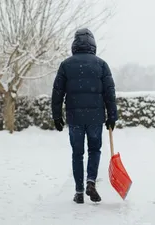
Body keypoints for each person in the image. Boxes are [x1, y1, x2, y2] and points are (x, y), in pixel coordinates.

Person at [51, 28, 118, 204]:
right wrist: (112, 116)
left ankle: (79, 192)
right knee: (94, 150)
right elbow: (110, 94)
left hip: (75, 118)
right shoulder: (101, 64)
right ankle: (91, 181)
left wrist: (56, 116)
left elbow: (57, 93)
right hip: (95, 117)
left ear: (75, 44)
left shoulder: (66, 65)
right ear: (93, 44)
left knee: (77, 154)